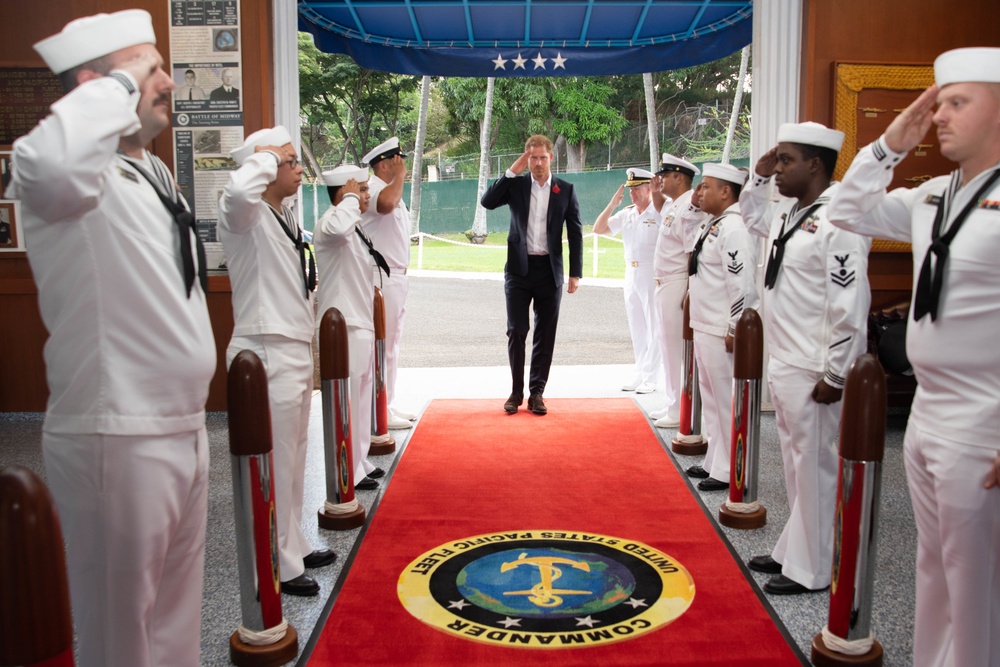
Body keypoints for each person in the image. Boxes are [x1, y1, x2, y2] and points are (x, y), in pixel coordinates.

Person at [6, 10, 215, 666]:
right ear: (96, 86)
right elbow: (43, 162)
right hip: (117, 432)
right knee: (118, 636)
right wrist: (115, 85)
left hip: (181, 428)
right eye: (148, 67)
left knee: (174, 625)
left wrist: (125, 78)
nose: (166, 81)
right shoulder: (70, 177)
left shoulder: (147, 170)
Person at [827, 46, 1000, 667]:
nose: (940, 115)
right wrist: (887, 148)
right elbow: (846, 211)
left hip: (985, 419)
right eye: (938, 102)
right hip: (927, 411)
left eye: (958, 102)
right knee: (933, 568)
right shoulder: (934, 197)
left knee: (977, 583)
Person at [739, 122, 871, 595]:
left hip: (815, 366)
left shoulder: (839, 219)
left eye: (786, 161)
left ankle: (814, 568)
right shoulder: (792, 213)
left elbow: (850, 303)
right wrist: (756, 176)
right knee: (797, 462)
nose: (777, 169)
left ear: (815, 165)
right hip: (787, 358)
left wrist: (837, 373)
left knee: (815, 466)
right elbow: (749, 216)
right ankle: (793, 550)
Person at [219, 126, 337, 598]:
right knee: (276, 460)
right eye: (289, 161)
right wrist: (265, 156)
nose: (298, 169)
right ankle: (278, 561)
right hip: (264, 348)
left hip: (290, 345)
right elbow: (235, 194)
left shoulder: (282, 213)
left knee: (292, 458)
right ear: (263, 166)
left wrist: (275, 157)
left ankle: (291, 542)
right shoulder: (244, 214)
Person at [480, 134, 583, 416]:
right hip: (519, 270)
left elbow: (575, 233)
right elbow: (487, 202)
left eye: (542, 157)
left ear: (551, 157)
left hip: (550, 271)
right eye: (532, 158)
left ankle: (537, 392)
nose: (538, 163)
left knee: (545, 333)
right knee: (516, 330)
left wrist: (576, 273)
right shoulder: (516, 186)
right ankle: (516, 391)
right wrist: (512, 170)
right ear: (527, 159)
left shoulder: (566, 189)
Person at [678, 163, 759, 491]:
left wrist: (734, 326)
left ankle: (729, 471)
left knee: (725, 400)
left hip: (718, 328)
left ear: (726, 191)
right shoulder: (713, 223)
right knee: (710, 398)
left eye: (707, 186)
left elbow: (743, 284)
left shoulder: (734, 229)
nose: (699, 192)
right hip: (704, 324)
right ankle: (715, 460)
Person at [313, 165, 385, 489]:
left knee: (361, 396)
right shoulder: (332, 223)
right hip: (343, 325)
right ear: (344, 194)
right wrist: (351, 199)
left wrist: (352, 200)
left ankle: (359, 461)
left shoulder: (353, 226)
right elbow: (340, 228)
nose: (367, 197)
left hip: (360, 322)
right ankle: (348, 469)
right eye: (362, 190)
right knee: (348, 400)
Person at [361, 136, 416, 429]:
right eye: (398, 160)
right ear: (384, 164)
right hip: (380, 276)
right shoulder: (372, 189)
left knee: (391, 344)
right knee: (380, 345)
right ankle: (376, 409)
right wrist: (401, 176)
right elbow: (385, 206)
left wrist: (398, 179)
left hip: (395, 276)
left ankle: (387, 404)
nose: (402, 165)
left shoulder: (390, 188)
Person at [593, 168, 662, 394]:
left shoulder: (659, 213)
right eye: (630, 189)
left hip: (652, 273)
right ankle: (640, 372)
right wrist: (613, 204)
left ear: (649, 188)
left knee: (654, 326)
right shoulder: (627, 213)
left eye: (637, 188)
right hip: (631, 274)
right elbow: (598, 229)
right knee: (637, 327)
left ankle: (652, 377)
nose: (632, 193)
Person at [648, 154, 702, 428]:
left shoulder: (690, 208)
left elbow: (693, 252)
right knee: (667, 346)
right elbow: (661, 214)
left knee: (676, 350)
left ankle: (681, 409)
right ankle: (672, 404)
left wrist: (690, 292)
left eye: (665, 176)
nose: (661, 179)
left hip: (677, 282)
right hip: (665, 284)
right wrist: (657, 195)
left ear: (679, 178)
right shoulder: (674, 205)